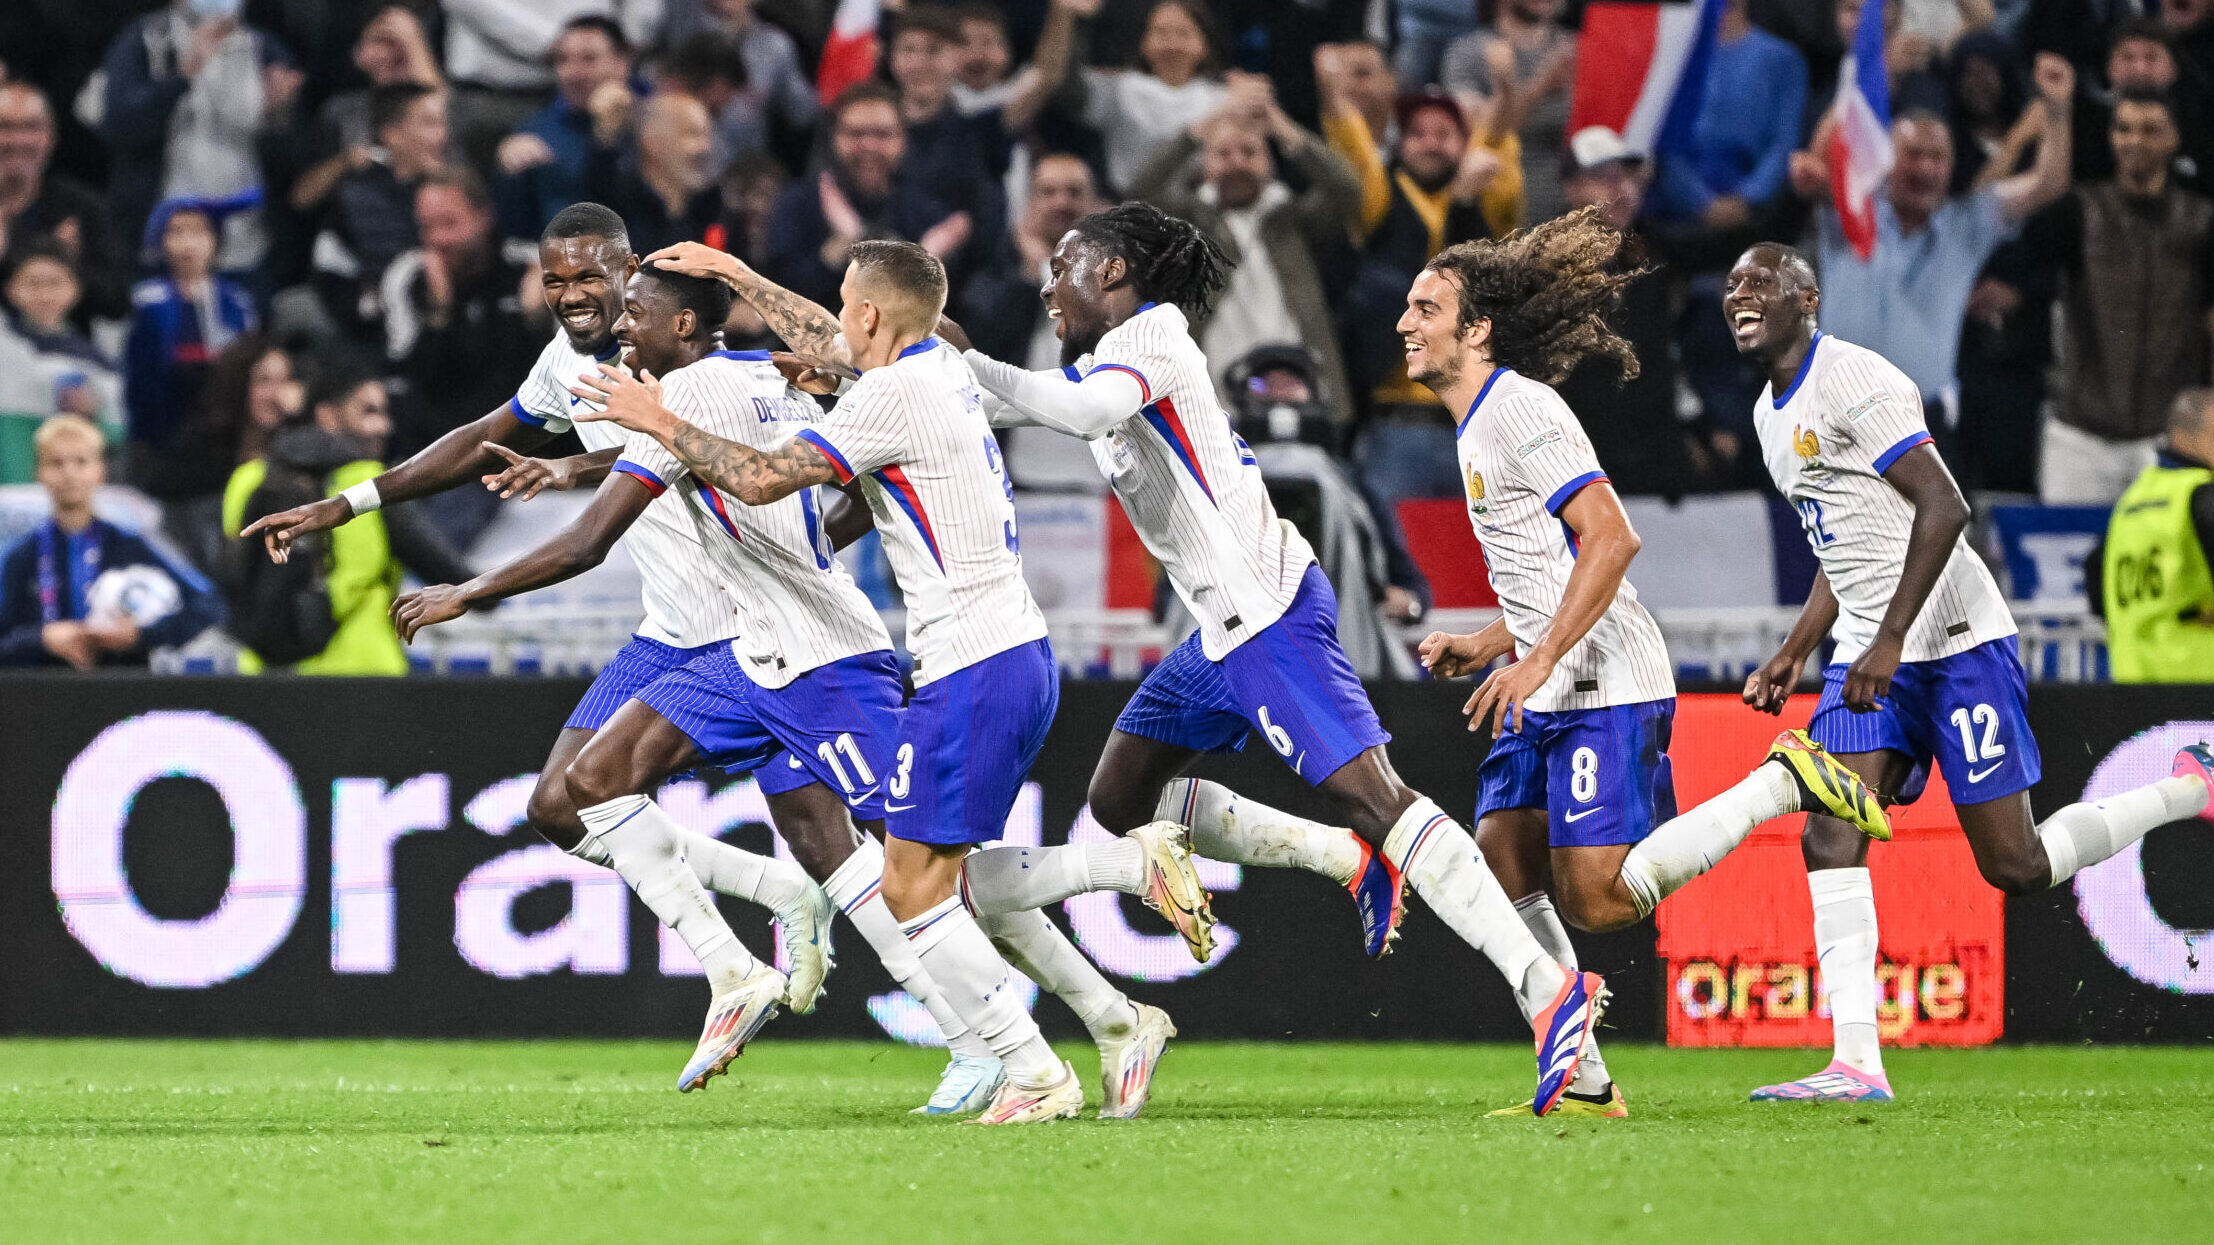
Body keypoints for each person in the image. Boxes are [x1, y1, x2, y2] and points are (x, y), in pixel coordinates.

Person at [414, 257, 1179, 1115]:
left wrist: (468, 590)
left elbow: (620, 531)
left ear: (680, 327)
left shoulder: (707, 392)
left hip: (825, 659)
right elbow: (804, 427)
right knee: (590, 783)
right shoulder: (790, 373)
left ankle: (1080, 985)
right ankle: (738, 966)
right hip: (754, 652)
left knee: (924, 869)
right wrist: (612, 436)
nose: (620, 328)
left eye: (636, 312)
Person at [947, 200, 1613, 1117]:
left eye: (1063, 264)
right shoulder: (1100, 358)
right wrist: (895, 364)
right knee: (1117, 802)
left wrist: (965, 359)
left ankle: (1547, 990)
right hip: (1219, 635)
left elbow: (1075, 409)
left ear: (1111, 273)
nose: (1046, 283)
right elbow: (981, 399)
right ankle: (1346, 856)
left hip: (1268, 618)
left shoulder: (1155, 339)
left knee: (1382, 797)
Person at [1401, 213, 1894, 1116]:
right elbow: (1551, 570)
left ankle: (1782, 783)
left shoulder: (1518, 410)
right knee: (1503, 855)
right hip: (1548, 672)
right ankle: (1585, 1080)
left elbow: (1612, 539)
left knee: (1598, 900)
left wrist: (1538, 652)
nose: (1406, 323)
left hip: (1604, 677)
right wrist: (1491, 640)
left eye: (1427, 307)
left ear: (1475, 330)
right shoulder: (1475, 426)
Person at [1725, 241, 2214, 1102]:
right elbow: (1846, 542)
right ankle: (1856, 1062)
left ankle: (2185, 791)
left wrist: (1889, 640)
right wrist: (1799, 647)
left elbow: (1945, 504)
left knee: (2015, 865)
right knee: (1827, 829)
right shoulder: (1769, 416)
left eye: (1758, 282)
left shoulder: (1856, 379)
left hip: (1954, 641)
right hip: (1868, 655)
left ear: (1809, 298)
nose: (1739, 295)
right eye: (1731, 285)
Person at [1788, 53, 2076, 445]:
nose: (1925, 168)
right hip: (1835, 423)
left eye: (1937, 157)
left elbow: (2049, 182)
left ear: (1951, 165)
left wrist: (2058, 109)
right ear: (1889, 161)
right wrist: (1864, 82)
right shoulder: (1853, 211)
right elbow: (1816, 165)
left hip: (1920, 428)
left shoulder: (1967, 225)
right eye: (1913, 155)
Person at [2024, 88, 2214, 505]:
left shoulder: (2202, 223)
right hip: (2079, 435)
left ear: (2174, 139)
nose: (2134, 140)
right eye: (2123, 129)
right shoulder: (2077, 211)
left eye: (2150, 130)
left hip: (2166, 437)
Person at [1128, 79, 1362, 417]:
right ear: (1205, 166)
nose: (1237, 162)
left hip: (1302, 394)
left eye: (1249, 152)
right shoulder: (1187, 224)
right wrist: (1205, 125)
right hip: (1211, 402)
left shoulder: (1289, 221)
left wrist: (1280, 126)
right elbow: (1139, 193)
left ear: (1269, 163)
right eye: (1223, 154)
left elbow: (1347, 190)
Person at [222, 364, 473, 675]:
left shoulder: (246, 479)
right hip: (362, 676)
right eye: (369, 411)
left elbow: (230, 576)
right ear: (327, 415)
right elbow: (454, 574)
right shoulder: (375, 485)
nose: (384, 426)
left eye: (385, 413)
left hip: (263, 676)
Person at [382, 168, 545, 538]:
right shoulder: (410, 277)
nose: (437, 239)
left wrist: (529, 321)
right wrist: (439, 315)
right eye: (427, 227)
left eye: (449, 223)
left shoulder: (530, 271)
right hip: (440, 454)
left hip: (520, 452)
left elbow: (543, 384)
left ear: (483, 216)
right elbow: (408, 384)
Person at [0, 414, 224, 667]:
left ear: (100, 470)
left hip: (122, 691)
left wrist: (140, 634)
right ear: (39, 472)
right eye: (56, 463)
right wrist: (41, 639)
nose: (69, 473)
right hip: (43, 695)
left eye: (81, 462)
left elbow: (208, 604)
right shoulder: (21, 557)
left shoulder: (130, 545)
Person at [97, 0, 300, 269]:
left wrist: (277, 115)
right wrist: (182, 78)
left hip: (246, 236)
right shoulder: (143, 40)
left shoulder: (265, 48)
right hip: (159, 235)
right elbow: (119, 127)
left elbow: (293, 156)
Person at [761, 83, 971, 310]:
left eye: (882, 135)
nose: (868, 146)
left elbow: (950, 306)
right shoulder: (797, 203)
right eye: (855, 133)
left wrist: (929, 258)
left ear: (903, 141)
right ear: (834, 138)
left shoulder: (927, 212)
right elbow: (779, 295)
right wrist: (840, 246)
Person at [124, 200, 258, 470]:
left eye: (198, 232)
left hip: (221, 437)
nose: (187, 244)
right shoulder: (144, 301)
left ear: (215, 240)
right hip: (158, 433)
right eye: (176, 232)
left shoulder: (236, 302)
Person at [2091, 389, 2214, 682]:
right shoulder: (2202, 496)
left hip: (2133, 684)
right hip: (2199, 684)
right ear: (2185, 437)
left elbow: (2094, 581)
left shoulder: (2131, 502)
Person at [312, 83, 451, 341]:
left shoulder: (458, 194)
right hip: (372, 337)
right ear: (392, 135)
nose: (442, 136)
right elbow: (333, 278)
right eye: (430, 124)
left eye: (443, 124)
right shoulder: (354, 201)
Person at [1439, 0, 1578, 226]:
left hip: (1570, 207)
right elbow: (1479, 129)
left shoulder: (1578, 46)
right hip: (1496, 204)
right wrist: (1540, 87)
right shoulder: (1468, 51)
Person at [495, 17, 636, 238]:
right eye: (562, 60)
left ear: (622, 63)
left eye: (589, 59)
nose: (572, 73)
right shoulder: (535, 133)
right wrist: (509, 174)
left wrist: (607, 137)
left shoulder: (655, 122)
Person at [0, 82, 127, 322]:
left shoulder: (81, 206)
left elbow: (116, 302)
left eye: (31, 127)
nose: (18, 140)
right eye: (4, 127)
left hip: (61, 351)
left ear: (50, 137)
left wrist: (66, 263)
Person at [1079, 0, 1228, 193]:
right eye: (1161, 33)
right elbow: (1065, 86)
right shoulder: (1119, 89)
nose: (1172, 44)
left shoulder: (1224, 98)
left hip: (1201, 207)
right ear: (1144, 42)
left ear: (1204, 45)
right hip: (1129, 206)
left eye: (1183, 33)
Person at [1, 243, 122, 441]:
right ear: (10, 290)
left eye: (54, 283)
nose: (44, 296)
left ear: (75, 289)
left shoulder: (93, 360)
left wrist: (91, 412)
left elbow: (119, 428)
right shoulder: (5, 346)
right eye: (33, 284)